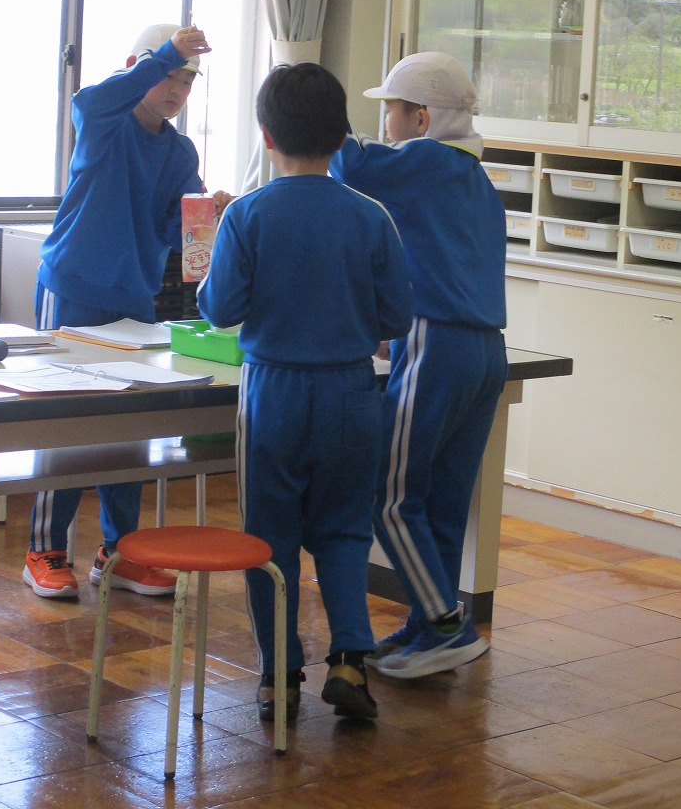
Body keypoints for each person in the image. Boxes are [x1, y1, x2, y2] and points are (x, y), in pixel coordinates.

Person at [197, 62, 414, 722]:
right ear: (343, 137)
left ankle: (279, 674)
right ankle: (349, 659)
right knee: (344, 530)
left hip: (275, 391)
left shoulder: (247, 214)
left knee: (270, 537)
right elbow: (396, 316)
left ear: (266, 137)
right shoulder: (371, 216)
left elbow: (219, 309)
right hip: (352, 390)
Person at [23, 23, 231, 600]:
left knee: (127, 425)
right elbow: (89, 99)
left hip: (135, 297)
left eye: (187, 81)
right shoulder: (104, 121)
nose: (177, 89)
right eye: (169, 75)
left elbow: (174, 228)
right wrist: (166, 54)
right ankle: (45, 550)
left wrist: (209, 212)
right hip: (73, 286)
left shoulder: (179, 151)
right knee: (65, 418)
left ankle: (121, 553)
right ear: (139, 67)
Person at [329, 51, 508, 679]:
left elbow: (349, 162)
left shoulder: (427, 160)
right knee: (440, 499)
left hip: (437, 343)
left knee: (387, 493)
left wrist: (317, 106)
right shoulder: (475, 179)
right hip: (485, 350)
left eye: (391, 111)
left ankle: (446, 625)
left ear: (422, 118)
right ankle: (427, 625)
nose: (387, 125)